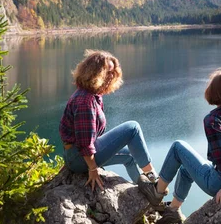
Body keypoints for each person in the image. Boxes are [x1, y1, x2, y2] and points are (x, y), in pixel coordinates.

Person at [138, 68, 221, 224]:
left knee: (177, 147)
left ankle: (156, 192)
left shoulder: (214, 120)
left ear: (214, 93)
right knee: (186, 169)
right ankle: (173, 210)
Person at [59, 50, 160, 191]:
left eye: (113, 73)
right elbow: (85, 143)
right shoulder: (84, 101)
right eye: (108, 72)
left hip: (76, 157)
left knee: (130, 156)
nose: (111, 77)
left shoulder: (93, 95)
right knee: (133, 128)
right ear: (95, 72)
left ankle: (148, 190)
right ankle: (154, 179)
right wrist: (93, 170)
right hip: (80, 158)